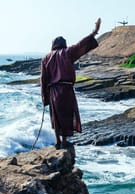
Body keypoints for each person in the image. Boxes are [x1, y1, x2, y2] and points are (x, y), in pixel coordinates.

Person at [41, 18, 101, 149]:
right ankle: (64, 141)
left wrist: (44, 97)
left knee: (55, 116)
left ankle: (57, 141)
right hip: (66, 89)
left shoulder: (46, 58)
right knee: (67, 115)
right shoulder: (68, 52)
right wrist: (94, 32)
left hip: (53, 91)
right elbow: (81, 45)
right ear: (64, 44)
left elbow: (43, 79)